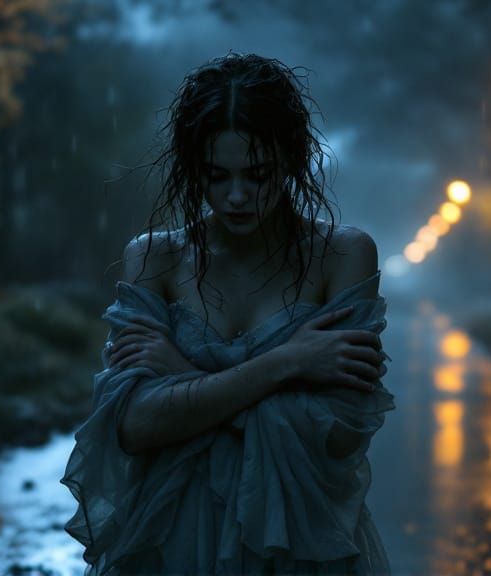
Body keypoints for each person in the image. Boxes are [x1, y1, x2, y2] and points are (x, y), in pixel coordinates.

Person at [61, 52, 395, 575]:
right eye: (217, 176)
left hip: (297, 545)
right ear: (195, 170)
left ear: (292, 158)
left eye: (258, 175)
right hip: (167, 542)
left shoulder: (342, 255)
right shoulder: (156, 258)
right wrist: (288, 363)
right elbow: (130, 425)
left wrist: (181, 378)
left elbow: (337, 434)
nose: (237, 196)